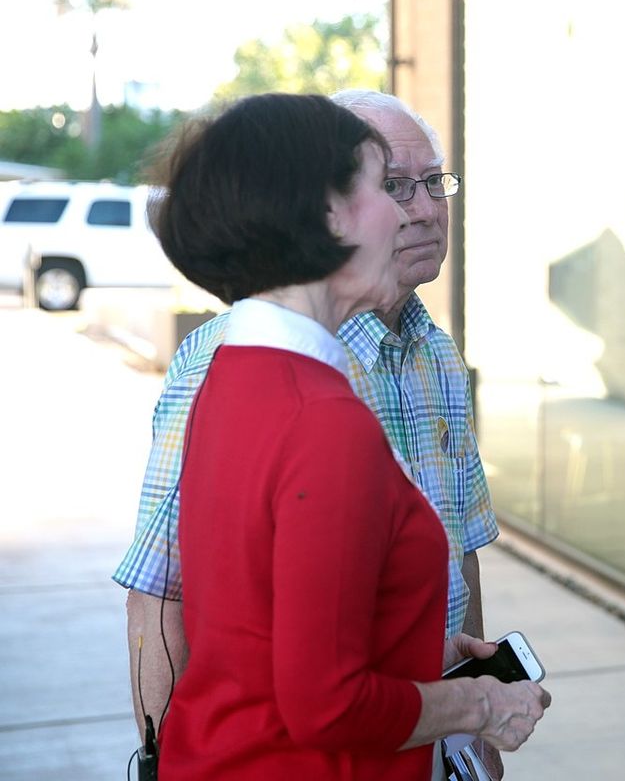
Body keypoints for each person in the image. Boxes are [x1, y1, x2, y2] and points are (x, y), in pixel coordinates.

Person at [142, 92, 548, 778]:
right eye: (381, 185)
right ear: (326, 214)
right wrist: (475, 706)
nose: (409, 211)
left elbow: (263, 625)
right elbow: (325, 706)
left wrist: (421, 648)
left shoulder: (240, 371)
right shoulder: (321, 418)